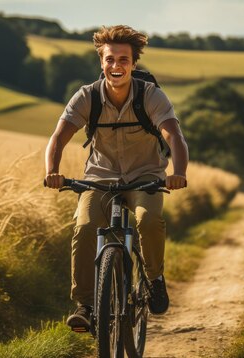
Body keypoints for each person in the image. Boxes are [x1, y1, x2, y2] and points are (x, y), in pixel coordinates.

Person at [44, 25, 189, 332]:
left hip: (145, 177)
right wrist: (52, 172)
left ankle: (154, 279)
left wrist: (177, 173)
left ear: (134, 64)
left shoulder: (150, 96)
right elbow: (58, 137)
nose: (116, 65)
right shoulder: (87, 97)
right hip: (100, 178)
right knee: (84, 227)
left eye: (123, 59)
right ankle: (84, 304)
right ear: (101, 62)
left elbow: (174, 135)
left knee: (148, 220)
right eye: (110, 59)